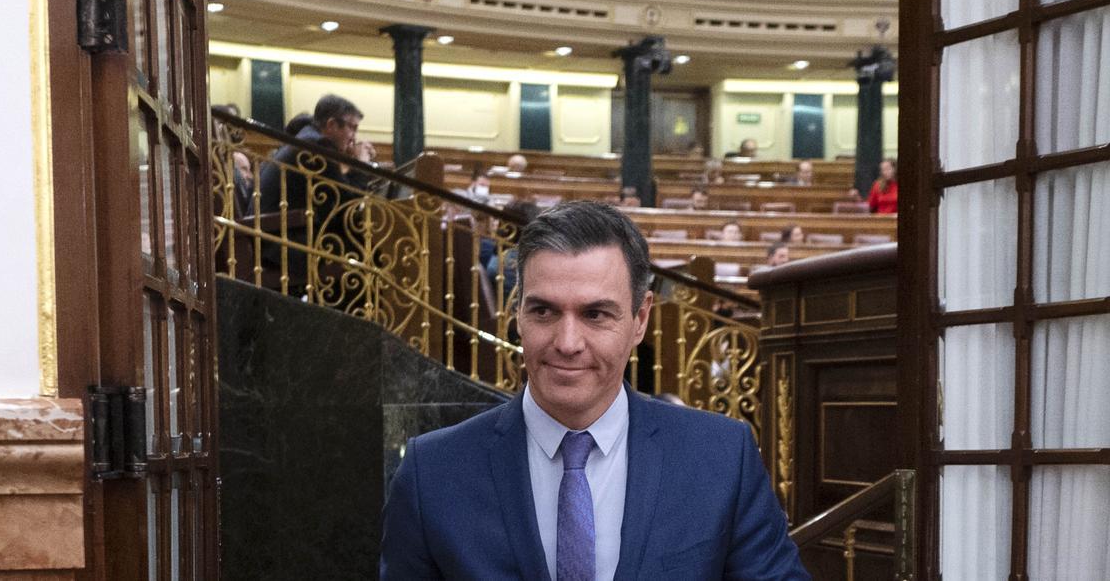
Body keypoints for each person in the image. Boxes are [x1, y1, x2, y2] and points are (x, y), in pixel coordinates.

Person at [380, 201, 808, 580]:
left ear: (640, 319)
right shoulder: (431, 474)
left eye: (595, 314)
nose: (567, 343)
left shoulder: (720, 457)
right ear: (517, 314)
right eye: (544, 311)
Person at [255, 95, 365, 290]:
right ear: (331, 124)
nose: (354, 137)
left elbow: (334, 201)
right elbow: (346, 203)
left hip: (274, 237)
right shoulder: (317, 146)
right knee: (370, 248)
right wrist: (360, 165)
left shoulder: (307, 139)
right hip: (283, 245)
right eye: (352, 128)